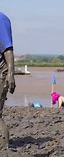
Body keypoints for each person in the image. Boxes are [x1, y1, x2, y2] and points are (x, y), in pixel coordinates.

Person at [0, 12, 16, 149]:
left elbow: (8, 49)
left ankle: (3, 146)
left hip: (2, 71)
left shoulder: (1, 19)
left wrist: (11, 74)